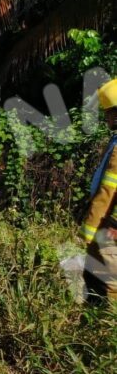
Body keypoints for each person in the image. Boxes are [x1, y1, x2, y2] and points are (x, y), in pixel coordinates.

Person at [80, 79, 117, 305]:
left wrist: (89, 230)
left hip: (111, 224)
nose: (107, 118)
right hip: (108, 222)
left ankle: (106, 332)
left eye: (109, 113)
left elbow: (108, 191)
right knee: (93, 272)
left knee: (110, 282)